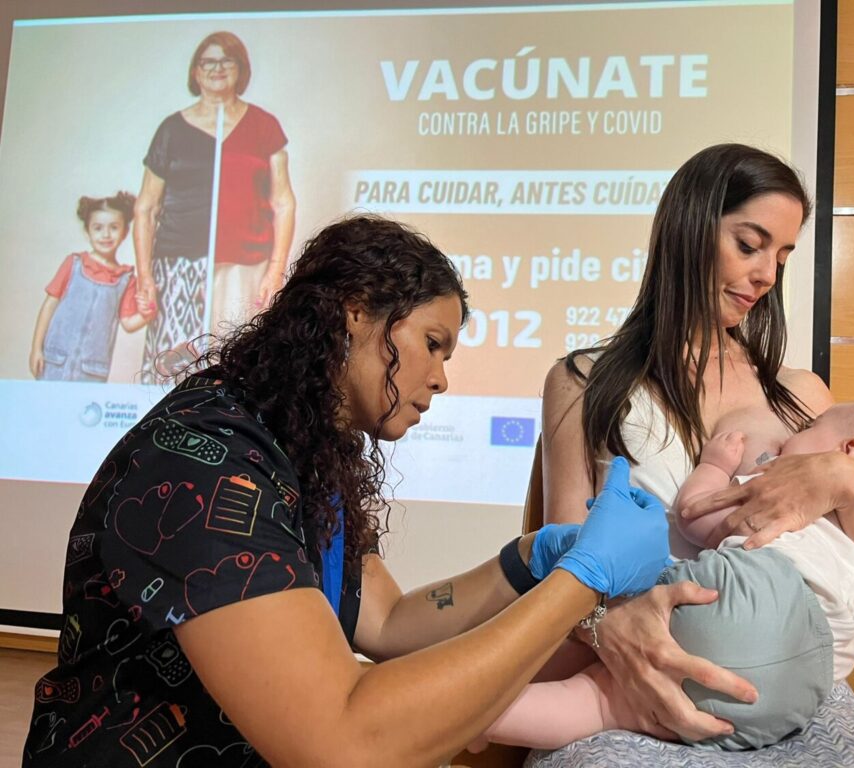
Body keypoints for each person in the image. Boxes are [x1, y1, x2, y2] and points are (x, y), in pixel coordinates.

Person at [23, 215, 677, 767]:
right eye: (432, 344)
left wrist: (530, 560)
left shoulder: (300, 450)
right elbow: (340, 742)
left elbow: (391, 624)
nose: (442, 378)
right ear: (356, 311)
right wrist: (583, 580)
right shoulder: (208, 462)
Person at [539, 144, 854, 755]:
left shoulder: (801, 397)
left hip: (791, 690)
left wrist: (846, 484)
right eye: (750, 244)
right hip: (637, 676)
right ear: (689, 229)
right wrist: (616, 636)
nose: (767, 275)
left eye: (783, 257)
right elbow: (559, 562)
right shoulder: (585, 384)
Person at [470, 400, 854, 753]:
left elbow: (695, 516)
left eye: (810, 426)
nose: (793, 437)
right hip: (796, 693)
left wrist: (716, 466)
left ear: (849, 450)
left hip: (745, 600)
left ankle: (466, 712)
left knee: (619, 592)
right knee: (605, 707)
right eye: (749, 248)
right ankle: (480, 714)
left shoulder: (788, 483)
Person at [135, 31, 296, 383]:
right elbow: (145, 208)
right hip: (179, 265)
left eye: (227, 60)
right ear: (195, 71)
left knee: (237, 370)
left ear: (241, 68)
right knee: (175, 370)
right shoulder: (171, 129)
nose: (217, 68)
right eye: (208, 61)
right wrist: (145, 276)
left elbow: (283, 201)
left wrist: (275, 270)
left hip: (245, 267)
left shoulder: (264, 125)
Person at [29, 192, 154, 382]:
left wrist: (148, 314)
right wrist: (36, 349)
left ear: (125, 232)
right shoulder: (73, 264)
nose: (105, 234)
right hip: (54, 362)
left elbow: (129, 324)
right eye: (98, 228)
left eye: (113, 227)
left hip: (92, 371)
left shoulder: (126, 279)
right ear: (87, 232)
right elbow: (49, 306)